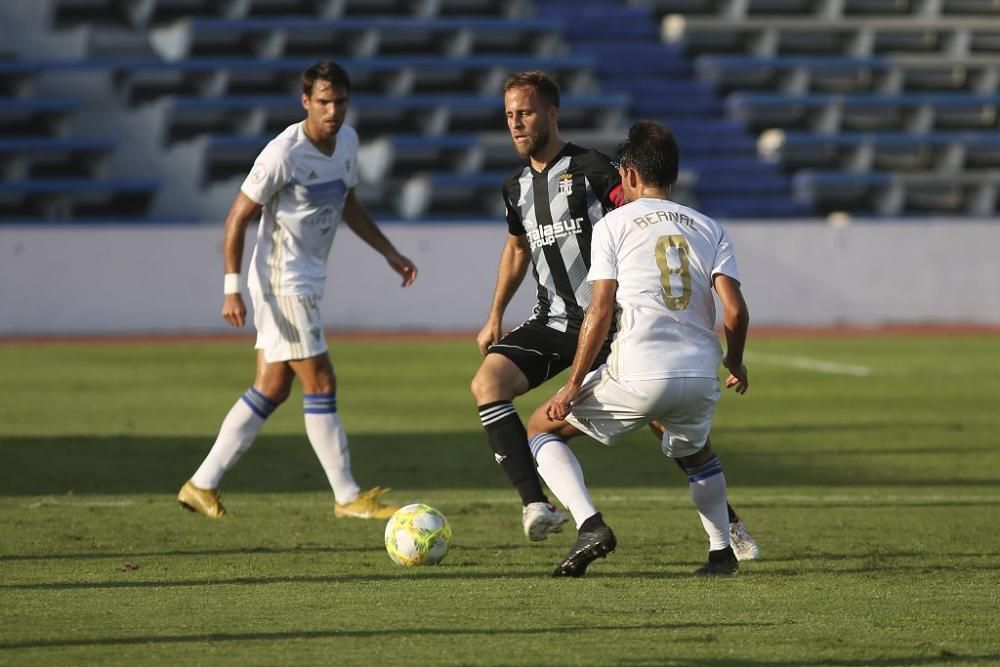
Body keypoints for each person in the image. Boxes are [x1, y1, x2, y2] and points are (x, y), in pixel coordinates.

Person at [470, 71, 759, 560]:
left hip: (609, 321)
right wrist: (495, 312)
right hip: (554, 320)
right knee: (487, 384)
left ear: (551, 114)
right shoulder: (515, 186)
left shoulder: (596, 170)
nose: (516, 124)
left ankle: (727, 524)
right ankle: (539, 505)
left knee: (667, 424)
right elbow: (517, 246)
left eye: (525, 113)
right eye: (509, 116)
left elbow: (643, 222)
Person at [178, 61, 417, 520]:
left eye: (340, 102)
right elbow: (237, 219)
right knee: (322, 381)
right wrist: (231, 289)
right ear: (305, 101)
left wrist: (388, 251)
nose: (333, 111)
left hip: (305, 278)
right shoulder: (282, 154)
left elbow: (348, 202)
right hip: (281, 281)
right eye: (323, 102)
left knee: (271, 386)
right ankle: (347, 496)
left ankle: (200, 484)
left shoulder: (347, 142)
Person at [524, 120, 750, 577]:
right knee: (698, 453)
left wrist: (570, 386)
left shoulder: (613, 224)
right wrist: (736, 360)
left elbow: (600, 310)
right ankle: (722, 552)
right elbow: (735, 312)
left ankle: (590, 525)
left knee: (540, 429)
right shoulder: (711, 228)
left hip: (640, 372)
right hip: (702, 377)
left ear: (627, 175)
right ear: (674, 174)